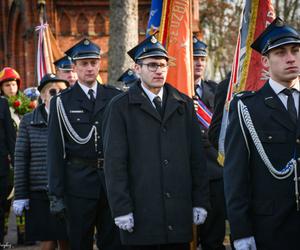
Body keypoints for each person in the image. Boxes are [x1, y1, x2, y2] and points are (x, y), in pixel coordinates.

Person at [103, 35, 210, 250]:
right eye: (152, 65)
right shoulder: (120, 107)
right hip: (141, 213)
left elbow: (196, 158)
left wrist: (200, 201)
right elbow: (115, 164)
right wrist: (121, 208)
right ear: (136, 68)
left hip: (178, 212)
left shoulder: (183, 104)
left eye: (163, 65)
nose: (159, 70)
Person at [224, 17, 300, 250]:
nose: (290, 58)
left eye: (296, 50)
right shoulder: (247, 107)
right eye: (280, 53)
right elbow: (235, 176)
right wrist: (241, 232)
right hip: (271, 229)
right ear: (265, 62)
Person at [47, 38, 123, 250]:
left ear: (100, 64)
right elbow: (55, 150)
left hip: (111, 184)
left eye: (93, 62)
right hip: (78, 185)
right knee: (79, 243)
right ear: (75, 67)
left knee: (114, 243)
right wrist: (56, 193)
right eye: (84, 63)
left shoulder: (115, 97)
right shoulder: (61, 102)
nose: (90, 68)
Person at [13, 74, 69, 250]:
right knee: (48, 241)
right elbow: (21, 158)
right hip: (40, 192)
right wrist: (21, 195)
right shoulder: (29, 121)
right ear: (43, 95)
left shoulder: (73, 119)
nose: (58, 94)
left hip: (68, 190)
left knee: (68, 240)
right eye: (53, 91)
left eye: (63, 91)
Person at [192, 36, 226, 250]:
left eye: (202, 58)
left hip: (214, 171)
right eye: (194, 58)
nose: (199, 62)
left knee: (214, 238)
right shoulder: (172, 92)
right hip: (185, 175)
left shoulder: (216, 90)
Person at [0, 96, 16, 248]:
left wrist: (18, 163)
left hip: (1, 165)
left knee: (1, 205)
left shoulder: (2, 103)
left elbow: (10, 135)